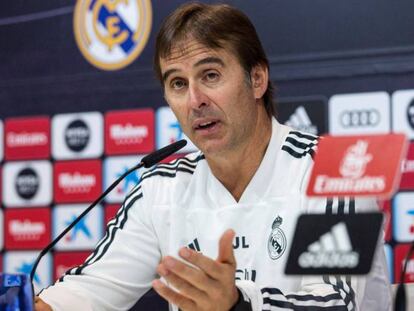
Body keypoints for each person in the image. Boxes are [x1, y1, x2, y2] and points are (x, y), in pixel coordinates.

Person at [36, 2, 392, 311]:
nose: (195, 100)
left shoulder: (332, 170)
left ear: (257, 79)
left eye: (210, 75)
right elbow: (90, 291)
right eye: (177, 83)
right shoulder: (161, 189)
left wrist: (238, 304)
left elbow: (336, 302)